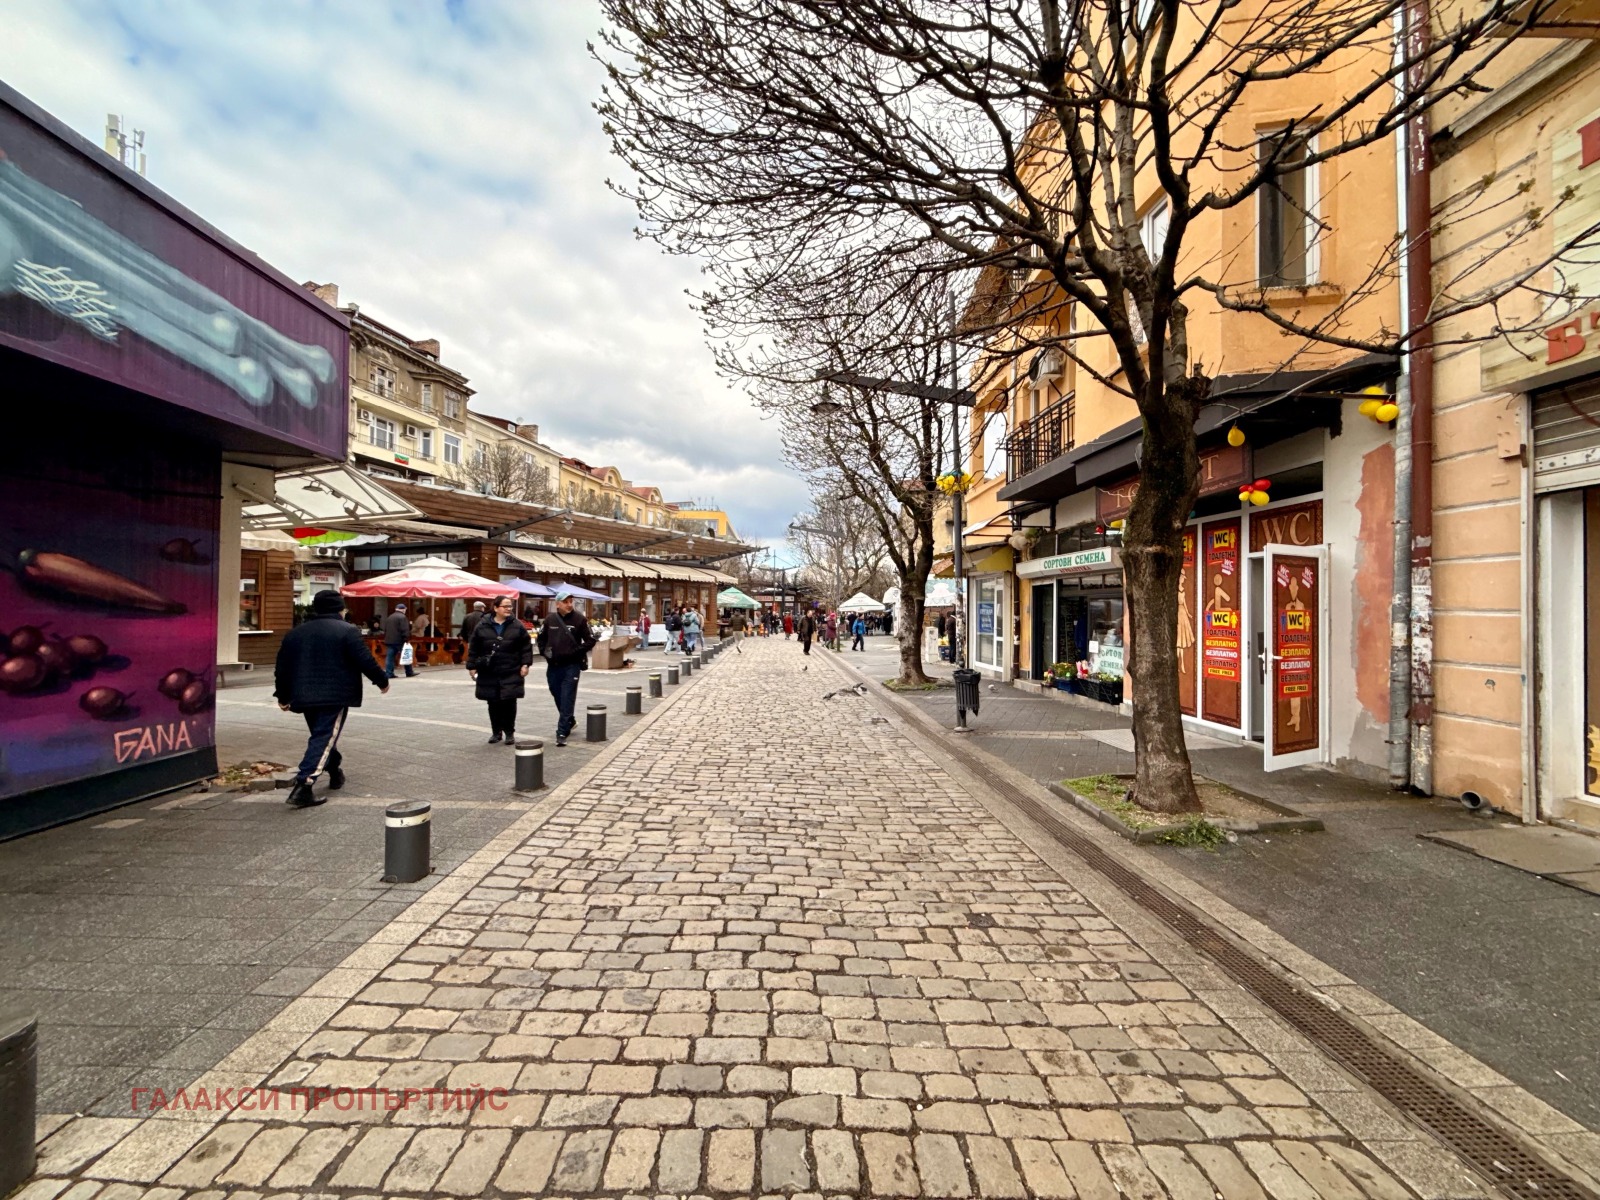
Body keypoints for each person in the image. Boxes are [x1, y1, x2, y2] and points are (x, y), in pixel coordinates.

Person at [274, 590, 388, 808]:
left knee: (322, 737)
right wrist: (382, 681)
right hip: (335, 695)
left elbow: (282, 668)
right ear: (340, 609)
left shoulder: (295, 633)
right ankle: (304, 785)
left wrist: (283, 695)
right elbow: (365, 660)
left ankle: (334, 770)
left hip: (304, 695)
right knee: (323, 737)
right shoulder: (347, 631)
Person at [467, 594, 535, 744]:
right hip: (489, 670)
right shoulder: (483, 625)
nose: (509, 609)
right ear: (496, 608)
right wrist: (471, 666)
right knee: (493, 702)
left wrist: (525, 664)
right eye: (505, 606)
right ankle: (496, 732)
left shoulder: (516, 625)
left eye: (510, 606)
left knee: (509, 702)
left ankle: (509, 732)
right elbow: (474, 647)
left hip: (510, 669)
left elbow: (525, 647)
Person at [537, 588, 598, 746]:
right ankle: (569, 720)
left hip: (572, 666)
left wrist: (576, 652)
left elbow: (591, 640)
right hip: (554, 666)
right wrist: (545, 652)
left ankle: (562, 731)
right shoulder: (550, 620)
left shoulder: (579, 619)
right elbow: (541, 638)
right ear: (557, 604)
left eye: (571, 602)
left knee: (567, 697)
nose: (569, 605)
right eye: (566, 602)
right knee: (556, 693)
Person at [382, 603, 415, 679]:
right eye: (405, 610)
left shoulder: (390, 617)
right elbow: (405, 629)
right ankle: (409, 672)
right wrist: (407, 639)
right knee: (406, 655)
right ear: (403, 609)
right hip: (399, 641)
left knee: (390, 657)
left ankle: (389, 673)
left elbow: (385, 629)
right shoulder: (402, 617)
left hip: (389, 640)